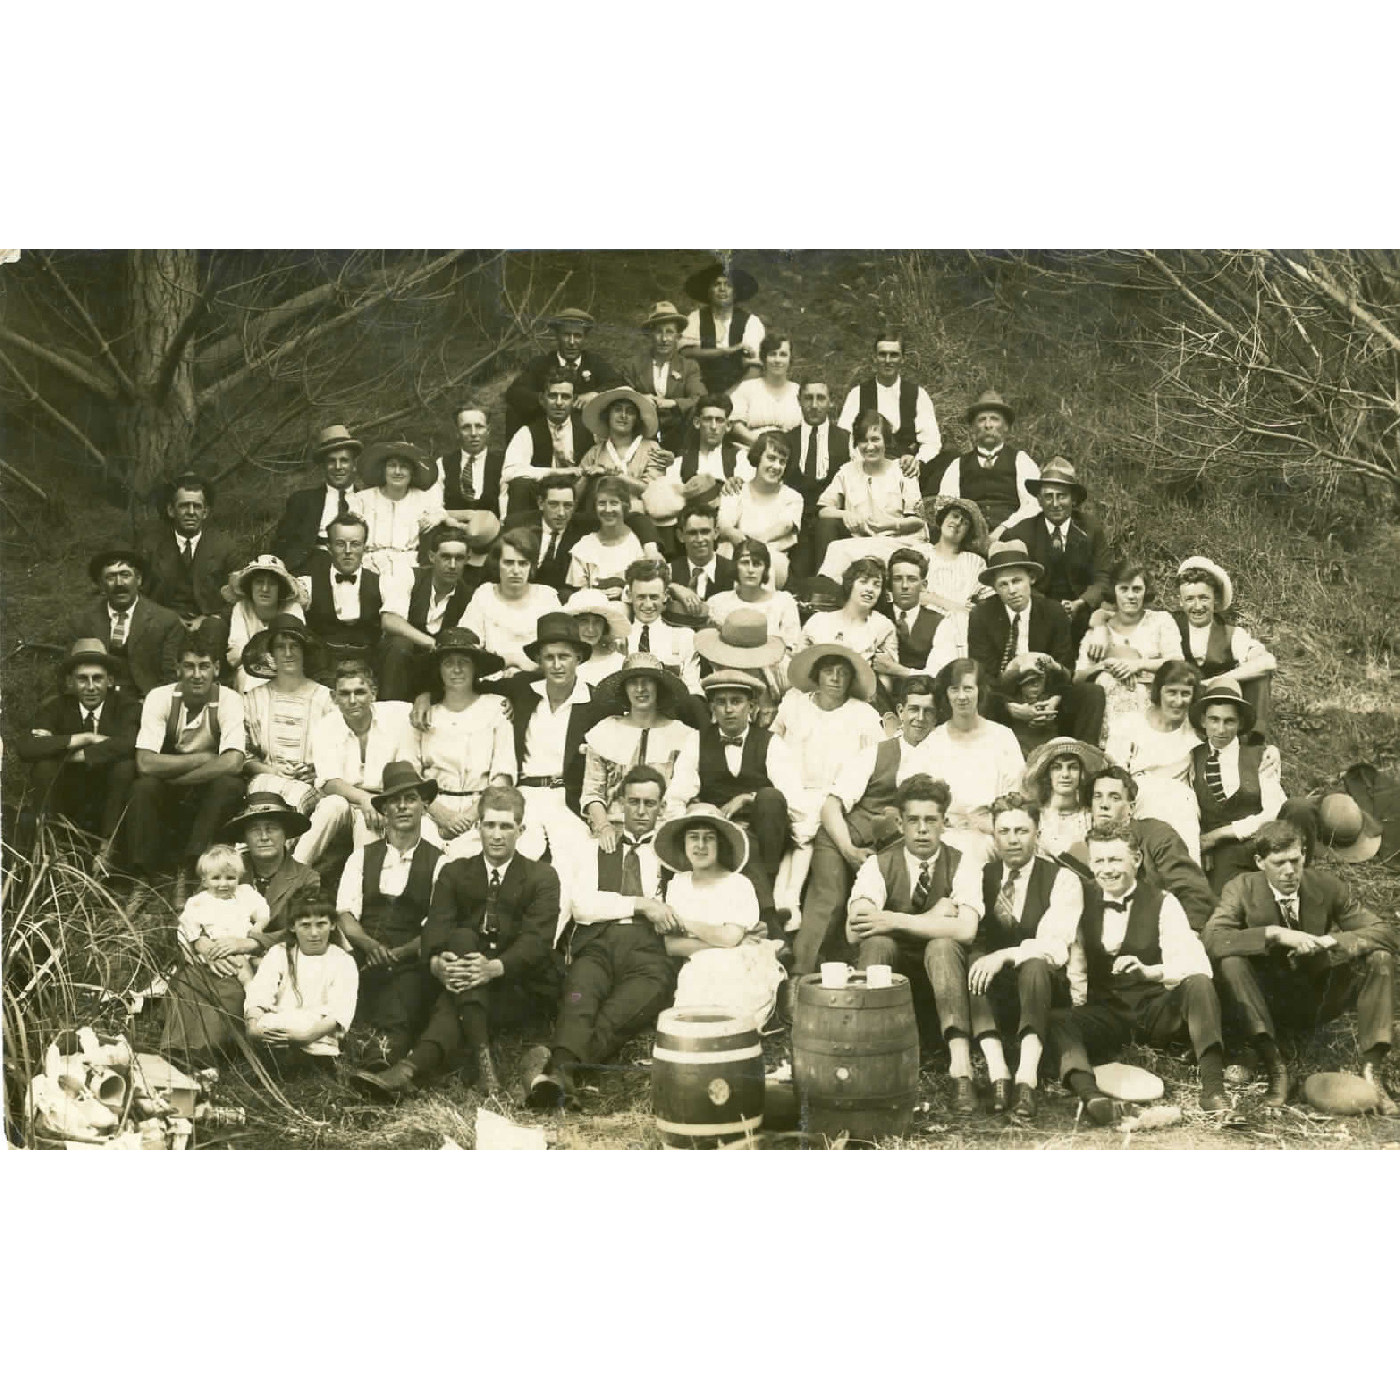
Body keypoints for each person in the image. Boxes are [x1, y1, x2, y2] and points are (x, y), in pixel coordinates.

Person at [365, 787, 562, 1096]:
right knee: (460, 940)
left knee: (454, 998)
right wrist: (436, 963)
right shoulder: (456, 872)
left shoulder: (542, 877)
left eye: (506, 826)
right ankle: (475, 1066)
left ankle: (412, 1067)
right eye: (489, 825)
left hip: (517, 983)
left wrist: (493, 968)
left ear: (520, 830)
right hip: (463, 974)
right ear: (478, 827)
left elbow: (537, 942)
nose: (497, 835)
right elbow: (436, 926)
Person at [1203, 819, 1397, 1114]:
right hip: (1265, 1002)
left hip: (1317, 994)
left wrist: (1330, 942)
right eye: (1279, 863)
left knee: (1379, 957)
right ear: (1259, 862)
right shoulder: (1240, 888)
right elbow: (1212, 940)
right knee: (1231, 962)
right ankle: (1275, 1067)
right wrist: (1274, 934)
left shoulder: (1326, 886)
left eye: (1295, 860)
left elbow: (1384, 932)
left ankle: (1373, 1070)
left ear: (1304, 855)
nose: (1289, 871)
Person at [1051, 821, 1231, 1123]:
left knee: (1199, 984)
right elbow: (1077, 961)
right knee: (1057, 1019)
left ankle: (1213, 1087)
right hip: (1108, 1012)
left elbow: (1194, 963)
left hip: (1154, 1011)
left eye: (1115, 860)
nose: (1106, 869)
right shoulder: (1082, 899)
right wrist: (1079, 1012)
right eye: (1099, 861)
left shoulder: (1163, 902)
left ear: (1136, 860)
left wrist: (1151, 972)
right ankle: (1091, 1095)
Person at [523, 764, 678, 1107]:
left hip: (649, 954)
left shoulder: (672, 854)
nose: (640, 811)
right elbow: (582, 905)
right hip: (598, 944)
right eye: (633, 802)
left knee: (620, 1014)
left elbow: (678, 907)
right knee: (581, 995)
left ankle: (558, 1067)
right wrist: (642, 904)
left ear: (661, 808)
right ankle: (562, 1075)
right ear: (619, 804)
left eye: (649, 804)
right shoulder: (595, 847)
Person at [846, 775, 987, 1113]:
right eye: (914, 821)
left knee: (942, 945)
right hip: (894, 988)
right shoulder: (878, 864)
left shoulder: (963, 862)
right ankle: (869, 1060)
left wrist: (892, 919)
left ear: (944, 823)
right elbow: (856, 930)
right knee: (877, 944)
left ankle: (961, 1070)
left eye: (931, 820)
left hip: (945, 983)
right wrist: (937, 917)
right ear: (900, 823)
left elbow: (966, 930)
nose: (922, 829)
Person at [791, 675, 942, 976]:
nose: (920, 718)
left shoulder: (944, 757)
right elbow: (831, 806)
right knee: (830, 899)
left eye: (928, 711)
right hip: (845, 838)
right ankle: (801, 978)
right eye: (913, 709)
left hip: (896, 852)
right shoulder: (877, 752)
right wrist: (847, 849)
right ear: (900, 712)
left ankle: (871, 976)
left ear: (938, 716)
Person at [161, 792, 319, 1061]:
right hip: (212, 956)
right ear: (244, 837)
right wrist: (203, 945)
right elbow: (197, 912)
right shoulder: (226, 868)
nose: (264, 836)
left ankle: (204, 1053)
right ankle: (173, 1050)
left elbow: (306, 928)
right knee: (189, 981)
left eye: (272, 828)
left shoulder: (306, 877)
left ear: (287, 835)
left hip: (266, 964)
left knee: (233, 991)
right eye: (255, 830)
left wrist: (252, 942)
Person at [967, 795, 1084, 1120]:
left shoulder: (1061, 879)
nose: (1012, 839)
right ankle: (998, 1073)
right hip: (996, 994)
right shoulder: (981, 875)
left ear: (1037, 832)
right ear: (994, 835)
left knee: (1035, 961)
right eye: (1004, 831)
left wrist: (1004, 954)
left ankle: (1026, 1079)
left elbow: (1056, 946)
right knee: (975, 956)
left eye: (1021, 830)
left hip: (1044, 992)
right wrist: (989, 958)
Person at [337, 762, 445, 1071]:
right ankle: (348, 1050)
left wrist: (397, 954)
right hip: (364, 952)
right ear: (384, 808)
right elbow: (345, 914)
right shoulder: (361, 857)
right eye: (394, 801)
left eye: (410, 798)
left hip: (410, 957)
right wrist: (371, 948)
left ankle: (381, 1060)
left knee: (403, 997)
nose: (402, 807)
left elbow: (438, 923)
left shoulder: (440, 861)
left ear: (424, 806)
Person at [771, 641, 885, 923]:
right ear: (817, 675)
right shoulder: (794, 702)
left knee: (806, 829)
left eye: (843, 673)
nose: (835, 679)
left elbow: (876, 760)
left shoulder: (864, 715)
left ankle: (791, 902)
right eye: (829, 671)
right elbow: (773, 742)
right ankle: (782, 901)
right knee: (796, 824)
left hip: (837, 798)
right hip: (791, 788)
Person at [127, 638, 247, 901]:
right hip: (169, 787)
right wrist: (202, 758)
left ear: (216, 668)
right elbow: (145, 762)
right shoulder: (161, 697)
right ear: (178, 669)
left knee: (230, 784)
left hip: (201, 787)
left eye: (204, 666)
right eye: (189, 666)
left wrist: (179, 778)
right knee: (143, 786)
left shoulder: (229, 700)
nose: (196, 675)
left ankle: (192, 870)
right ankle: (144, 874)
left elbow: (233, 762)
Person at [485, 612, 598, 868]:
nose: (557, 665)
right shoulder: (522, 689)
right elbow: (466, 687)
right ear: (538, 661)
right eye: (549, 657)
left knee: (576, 864)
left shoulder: (595, 702)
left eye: (564, 657)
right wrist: (426, 695)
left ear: (578, 658)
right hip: (524, 795)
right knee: (513, 860)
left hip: (567, 798)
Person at [967, 540, 1107, 744]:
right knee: (976, 697)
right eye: (1003, 584)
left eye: (1017, 581)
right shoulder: (982, 615)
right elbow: (984, 674)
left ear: (1030, 579)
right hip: (1005, 696)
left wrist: (1054, 701)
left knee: (1091, 694)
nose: (1012, 590)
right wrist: (1011, 707)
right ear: (995, 588)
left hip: (1049, 695)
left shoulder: (1053, 612)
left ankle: (1084, 756)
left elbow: (1065, 667)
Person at [694, 670, 801, 938]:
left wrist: (747, 799)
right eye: (721, 702)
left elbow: (792, 798)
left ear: (751, 707)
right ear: (712, 707)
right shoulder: (696, 741)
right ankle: (772, 924)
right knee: (742, 839)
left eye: (736, 701)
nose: (728, 709)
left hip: (768, 836)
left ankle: (766, 908)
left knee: (770, 797)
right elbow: (677, 795)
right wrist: (704, 813)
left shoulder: (771, 743)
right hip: (718, 832)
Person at [16, 638, 140, 865]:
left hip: (110, 793)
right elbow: (27, 748)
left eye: (98, 678)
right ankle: (53, 847)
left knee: (125, 766)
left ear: (110, 680)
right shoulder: (55, 706)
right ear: (70, 683)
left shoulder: (126, 706)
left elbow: (131, 743)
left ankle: (107, 849)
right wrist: (86, 738)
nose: (91, 687)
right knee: (44, 766)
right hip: (69, 792)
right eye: (82, 679)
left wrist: (66, 751)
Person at [657, 804, 781, 1028]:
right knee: (693, 1010)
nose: (701, 845)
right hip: (698, 966)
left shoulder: (738, 884)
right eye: (693, 837)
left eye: (709, 838)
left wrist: (687, 924)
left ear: (720, 843)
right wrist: (726, 940)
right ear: (684, 844)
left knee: (730, 1012)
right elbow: (672, 945)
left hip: (738, 964)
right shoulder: (678, 884)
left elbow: (730, 937)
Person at [401, 628, 515, 858]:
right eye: (448, 663)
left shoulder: (496, 707)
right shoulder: (423, 713)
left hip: (484, 807)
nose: (456, 669)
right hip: (431, 811)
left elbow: (503, 774)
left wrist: (471, 816)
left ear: (475, 669)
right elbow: (408, 772)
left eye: (464, 662)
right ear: (438, 670)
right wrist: (439, 813)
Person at [295, 659, 414, 867]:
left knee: (366, 823)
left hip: (385, 803)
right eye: (344, 693)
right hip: (345, 804)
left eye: (359, 692)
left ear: (373, 693)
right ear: (334, 697)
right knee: (333, 804)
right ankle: (293, 872)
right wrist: (365, 799)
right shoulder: (325, 726)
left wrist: (425, 698)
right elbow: (329, 782)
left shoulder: (397, 715)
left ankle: (362, 888)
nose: (352, 700)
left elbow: (433, 707)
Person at [1071, 766, 1217, 931]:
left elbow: (1192, 893)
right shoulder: (1085, 846)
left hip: (1162, 930)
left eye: (1114, 797)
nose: (1104, 805)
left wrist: (1184, 934)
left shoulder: (1158, 835)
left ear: (1131, 808)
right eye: (1098, 797)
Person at [1189, 678, 1290, 894]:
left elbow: (1275, 811)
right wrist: (1200, 843)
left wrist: (1219, 834)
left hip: (1263, 843)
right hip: (1223, 853)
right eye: (1214, 720)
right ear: (1203, 721)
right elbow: (1187, 808)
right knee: (1225, 904)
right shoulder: (1191, 757)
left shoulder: (1261, 755)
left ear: (1240, 723)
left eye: (1229, 721)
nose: (1221, 729)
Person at [581, 654, 700, 837]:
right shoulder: (604, 731)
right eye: (633, 682)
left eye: (647, 682)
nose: (640, 689)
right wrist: (604, 827)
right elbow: (592, 793)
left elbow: (683, 795)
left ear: (659, 687)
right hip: (612, 829)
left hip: (664, 831)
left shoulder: (683, 736)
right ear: (624, 688)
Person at [1001, 458, 1110, 651]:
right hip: (1036, 614)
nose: (1055, 503)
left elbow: (1102, 576)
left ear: (1073, 499)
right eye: (1048, 496)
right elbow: (1015, 579)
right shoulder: (1020, 533)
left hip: (1082, 613)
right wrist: (1052, 608)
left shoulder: (1091, 530)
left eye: (1062, 496)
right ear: (1039, 500)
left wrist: (1082, 602)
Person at [921, 659, 1026, 855]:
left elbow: (1016, 797)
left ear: (980, 691)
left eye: (968, 688)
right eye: (954, 689)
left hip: (990, 836)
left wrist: (990, 823)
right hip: (943, 834)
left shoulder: (1002, 738)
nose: (961, 697)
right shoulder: (933, 743)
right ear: (946, 693)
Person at [1104, 658, 1204, 860]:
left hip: (1179, 800)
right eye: (1172, 692)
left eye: (1185, 694)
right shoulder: (1130, 724)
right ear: (1159, 691)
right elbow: (1117, 773)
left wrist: (1270, 749)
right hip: (1137, 795)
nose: (1178, 701)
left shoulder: (1196, 729)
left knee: (1183, 807)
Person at [244, 889, 359, 1063]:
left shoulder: (343, 961)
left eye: (321, 924)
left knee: (306, 1029)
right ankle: (282, 1058)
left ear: (333, 925)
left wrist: (306, 1036)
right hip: (280, 1023)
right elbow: (260, 992)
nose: (314, 933)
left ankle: (306, 1060)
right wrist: (253, 1026)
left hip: (316, 1031)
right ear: (292, 926)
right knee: (268, 1025)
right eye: (305, 925)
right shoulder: (279, 953)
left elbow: (340, 1011)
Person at [1075, 561, 1183, 744]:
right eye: (1123, 589)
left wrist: (1137, 665)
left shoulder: (1161, 621)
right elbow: (1077, 677)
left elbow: (1178, 663)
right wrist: (1106, 666)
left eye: (1137, 589)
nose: (1130, 596)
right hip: (1108, 716)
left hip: (1150, 705)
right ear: (1113, 591)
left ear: (1145, 591)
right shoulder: (1098, 632)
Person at [137, 473, 242, 661]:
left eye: (197, 506)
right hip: (164, 621)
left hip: (209, 623)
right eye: (184, 506)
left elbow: (238, 597)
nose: (191, 512)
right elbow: (140, 594)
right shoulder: (152, 546)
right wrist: (167, 618)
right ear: (171, 510)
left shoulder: (225, 547)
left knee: (214, 628)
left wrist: (211, 617)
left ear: (206, 512)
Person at [240, 613, 335, 816]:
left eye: (294, 646)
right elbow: (244, 754)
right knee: (263, 801)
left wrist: (317, 771)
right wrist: (270, 771)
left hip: (312, 785)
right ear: (271, 654)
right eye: (280, 647)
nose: (288, 653)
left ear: (304, 651)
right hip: (266, 779)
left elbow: (340, 748)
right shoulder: (254, 699)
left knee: (296, 802)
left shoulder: (326, 699)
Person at [815, 410, 925, 579]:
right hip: (860, 543)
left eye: (875, 439)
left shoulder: (902, 470)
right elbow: (824, 510)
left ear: (886, 441)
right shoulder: (847, 471)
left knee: (839, 551)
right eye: (863, 440)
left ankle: (823, 594)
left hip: (897, 543)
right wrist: (846, 514)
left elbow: (918, 521)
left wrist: (890, 524)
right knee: (838, 548)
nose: (869, 446)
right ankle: (825, 596)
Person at [378, 520, 480, 701]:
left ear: (467, 560)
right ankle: (389, 710)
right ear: (432, 557)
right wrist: (429, 642)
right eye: (446, 557)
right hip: (400, 663)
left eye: (459, 558)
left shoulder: (468, 595)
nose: (452, 564)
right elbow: (389, 620)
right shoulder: (410, 576)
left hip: (437, 670)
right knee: (399, 644)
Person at [1173, 555, 1277, 728]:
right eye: (1190, 599)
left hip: (1217, 708)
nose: (1197, 606)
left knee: (1258, 680)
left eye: (1204, 598)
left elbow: (1267, 663)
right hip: (1178, 703)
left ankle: (1252, 742)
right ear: (1181, 602)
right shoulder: (1168, 625)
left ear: (1216, 599)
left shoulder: (1232, 634)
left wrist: (1210, 683)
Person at [67, 547, 184, 700]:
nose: (119, 583)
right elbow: (71, 673)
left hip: (145, 701)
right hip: (98, 701)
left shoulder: (166, 620)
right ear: (101, 585)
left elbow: (170, 676)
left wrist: (153, 704)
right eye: (110, 577)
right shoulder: (82, 621)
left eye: (125, 575)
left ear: (139, 580)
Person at [503, 307, 621, 439]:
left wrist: (596, 394)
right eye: (566, 335)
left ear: (584, 338)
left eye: (577, 336)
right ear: (557, 336)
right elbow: (515, 393)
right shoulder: (541, 364)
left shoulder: (594, 363)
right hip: (548, 434)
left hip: (585, 437)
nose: (571, 342)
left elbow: (619, 384)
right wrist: (547, 400)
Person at [935, 390, 1040, 537]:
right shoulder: (957, 465)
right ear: (973, 428)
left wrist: (1003, 529)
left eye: (995, 419)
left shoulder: (1021, 460)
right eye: (982, 419)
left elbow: (1033, 505)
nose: (988, 425)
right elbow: (945, 505)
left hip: (1011, 536)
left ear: (1006, 427)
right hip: (968, 537)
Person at [837, 334, 942, 477]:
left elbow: (931, 441)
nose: (887, 361)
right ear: (874, 358)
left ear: (902, 359)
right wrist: (863, 463)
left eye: (893, 355)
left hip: (907, 471)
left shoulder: (918, 394)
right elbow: (845, 438)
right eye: (882, 355)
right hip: (866, 469)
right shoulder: (858, 394)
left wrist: (917, 461)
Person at [296, 512, 384, 681]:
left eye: (356, 544)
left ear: (365, 547)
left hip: (369, 667)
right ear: (329, 547)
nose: (348, 551)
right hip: (323, 668)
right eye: (340, 544)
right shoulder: (308, 584)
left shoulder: (381, 583)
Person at [461, 527, 560, 675]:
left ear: (532, 566)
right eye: (508, 562)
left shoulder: (547, 597)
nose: (515, 570)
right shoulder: (484, 595)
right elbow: (466, 644)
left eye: (523, 563)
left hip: (538, 677)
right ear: (497, 564)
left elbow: (560, 650)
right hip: (493, 677)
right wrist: (510, 660)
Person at [348, 441, 442, 596]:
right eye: (392, 465)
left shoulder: (423, 499)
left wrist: (437, 516)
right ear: (383, 469)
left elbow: (441, 513)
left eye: (404, 466)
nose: (397, 471)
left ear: (412, 471)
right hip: (369, 567)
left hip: (409, 568)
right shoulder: (361, 500)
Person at [270, 424, 364, 573]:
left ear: (354, 465)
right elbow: (281, 545)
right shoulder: (302, 501)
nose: (338, 467)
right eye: (331, 461)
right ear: (323, 466)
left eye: (344, 460)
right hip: (309, 570)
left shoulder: (367, 501)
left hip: (355, 571)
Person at [501, 371, 597, 516]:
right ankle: (518, 532)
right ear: (542, 399)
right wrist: (555, 472)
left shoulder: (590, 430)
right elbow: (510, 472)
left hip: (578, 498)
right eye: (553, 396)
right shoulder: (528, 432)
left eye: (565, 397)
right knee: (520, 484)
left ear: (574, 400)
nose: (559, 403)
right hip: (541, 501)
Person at [799, 557, 900, 695]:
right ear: (850, 584)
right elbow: (799, 665)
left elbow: (886, 677)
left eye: (877, 584)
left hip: (860, 697)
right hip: (815, 692)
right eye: (863, 582)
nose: (870, 589)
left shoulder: (883, 626)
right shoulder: (818, 621)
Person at [783, 378, 852, 579]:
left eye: (820, 398)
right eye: (808, 398)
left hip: (833, 525)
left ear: (831, 402)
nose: (814, 405)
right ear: (799, 400)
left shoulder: (846, 440)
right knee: (798, 575)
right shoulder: (787, 441)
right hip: (798, 525)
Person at [177, 844, 270, 988]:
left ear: (239, 877)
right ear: (204, 880)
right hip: (219, 949)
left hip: (244, 946)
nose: (223, 884)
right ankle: (251, 994)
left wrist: (259, 925)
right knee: (242, 966)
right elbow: (187, 925)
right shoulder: (198, 902)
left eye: (230, 878)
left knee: (265, 965)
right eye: (216, 878)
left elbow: (262, 910)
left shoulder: (244, 893)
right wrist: (199, 942)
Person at [716, 434, 805, 584]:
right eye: (771, 458)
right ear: (758, 457)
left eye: (782, 462)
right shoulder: (737, 490)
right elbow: (724, 525)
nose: (776, 466)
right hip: (734, 553)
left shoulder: (792, 497)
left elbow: (784, 526)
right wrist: (733, 534)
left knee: (760, 558)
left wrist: (748, 544)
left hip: (772, 562)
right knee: (726, 550)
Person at [576, 385, 674, 518]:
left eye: (630, 412)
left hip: (643, 519)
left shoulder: (651, 448)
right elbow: (575, 496)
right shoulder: (595, 452)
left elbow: (653, 491)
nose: (623, 416)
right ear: (608, 415)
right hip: (602, 519)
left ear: (637, 419)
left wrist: (612, 474)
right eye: (617, 410)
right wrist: (587, 476)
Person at [704, 539, 802, 667]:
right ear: (735, 566)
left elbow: (790, 651)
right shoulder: (718, 602)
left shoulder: (783, 602)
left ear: (765, 569)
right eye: (744, 563)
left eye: (757, 564)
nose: (750, 570)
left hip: (773, 670)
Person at [625, 301, 706, 452]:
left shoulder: (689, 367)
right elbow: (622, 393)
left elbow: (699, 398)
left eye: (669, 332)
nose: (664, 339)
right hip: (640, 431)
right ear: (650, 335)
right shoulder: (635, 365)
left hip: (679, 434)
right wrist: (641, 398)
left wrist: (672, 403)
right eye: (658, 332)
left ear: (678, 336)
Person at [222, 555, 307, 694]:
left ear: (281, 588)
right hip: (249, 671)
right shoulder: (241, 608)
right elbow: (235, 655)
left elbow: (296, 649)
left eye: (272, 584)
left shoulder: (292, 608)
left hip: (285, 669)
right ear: (250, 586)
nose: (265, 589)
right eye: (259, 582)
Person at [678, 262, 765, 396]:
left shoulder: (751, 322)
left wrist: (729, 396)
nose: (722, 289)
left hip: (740, 390)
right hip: (700, 389)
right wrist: (724, 351)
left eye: (728, 285)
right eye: (716, 284)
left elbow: (755, 369)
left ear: (735, 293)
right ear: (708, 291)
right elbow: (685, 353)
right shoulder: (695, 319)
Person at [1020, 736, 1106, 861]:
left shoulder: (1091, 818)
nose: (1065, 774)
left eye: (1073, 767)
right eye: (1057, 767)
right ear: (1048, 775)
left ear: (1082, 774)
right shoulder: (1034, 817)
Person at [621, 557, 700, 690]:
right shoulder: (620, 638)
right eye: (641, 597)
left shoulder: (684, 637)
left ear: (665, 595)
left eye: (654, 597)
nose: (648, 605)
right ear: (629, 595)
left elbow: (692, 688)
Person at [503, 472, 588, 593]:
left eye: (568, 505)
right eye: (553, 505)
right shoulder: (517, 524)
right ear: (540, 503)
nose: (561, 513)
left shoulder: (584, 528)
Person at [565, 474, 649, 596]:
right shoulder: (584, 546)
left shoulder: (639, 542)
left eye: (614, 503)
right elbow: (579, 593)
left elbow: (647, 588)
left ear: (625, 505)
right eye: (602, 503)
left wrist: (624, 592)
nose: (608, 510)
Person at [662, 503, 737, 626]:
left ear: (716, 533)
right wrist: (673, 587)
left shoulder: (734, 572)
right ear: (680, 536)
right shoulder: (670, 570)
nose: (700, 539)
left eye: (705, 532)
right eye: (692, 533)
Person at [667, 394, 746, 504]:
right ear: (697, 423)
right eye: (708, 419)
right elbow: (672, 498)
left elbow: (747, 495)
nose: (713, 426)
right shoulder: (680, 462)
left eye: (719, 420)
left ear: (728, 425)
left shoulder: (740, 458)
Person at [727, 332, 802, 445]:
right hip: (750, 449)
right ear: (764, 358)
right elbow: (735, 425)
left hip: (790, 451)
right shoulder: (747, 388)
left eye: (783, 355)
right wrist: (761, 445)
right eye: (772, 354)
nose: (777, 360)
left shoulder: (799, 391)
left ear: (790, 359)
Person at [882, 547, 945, 675]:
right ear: (889, 584)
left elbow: (938, 673)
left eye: (912, 579)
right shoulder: (876, 615)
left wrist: (897, 670)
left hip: (921, 691)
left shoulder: (939, 622)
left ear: (923, 585)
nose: (904, 586)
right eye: (898, 579)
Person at [437, 401, 505, 518]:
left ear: (488, 430)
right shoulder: (443, 464)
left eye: (479, 426)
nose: (473, 433)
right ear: (457, 432)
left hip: (494, 531)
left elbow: (506, 511)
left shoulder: (503, 464)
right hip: (452, 531)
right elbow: (435, 509)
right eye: (466, 427)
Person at [996, 653, 1072, 758]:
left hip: (1048, 745)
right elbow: (1002, 683)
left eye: (1039, 680)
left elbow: (1065, 681)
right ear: (1020, 685)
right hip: (1022, 746)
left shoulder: (1048, 699)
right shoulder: (1015, 701)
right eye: (1030, 682)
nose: (1035, 685)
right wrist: (1020, 669)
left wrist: (1054, 665)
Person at [565, 588, 630, 686]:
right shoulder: (559, 661)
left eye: (597, 622)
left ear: (605, 626)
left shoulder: (618, 663)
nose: (591, 629)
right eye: (584, 621)